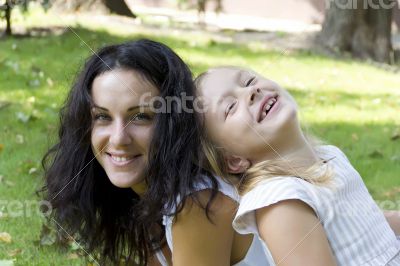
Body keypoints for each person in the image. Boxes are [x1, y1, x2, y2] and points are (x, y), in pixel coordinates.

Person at [42, 40, 270, 265]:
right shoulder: (149, 196)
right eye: (103, 116)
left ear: (174, 122)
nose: (118, 138)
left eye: (141, 116)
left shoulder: (199, 203)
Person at [195, 66, 400, 265]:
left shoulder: (328, 156)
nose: (251, 91)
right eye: (230, 107)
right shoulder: (280, 201)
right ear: (233, 160)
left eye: (249, 81)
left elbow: (365, 225)